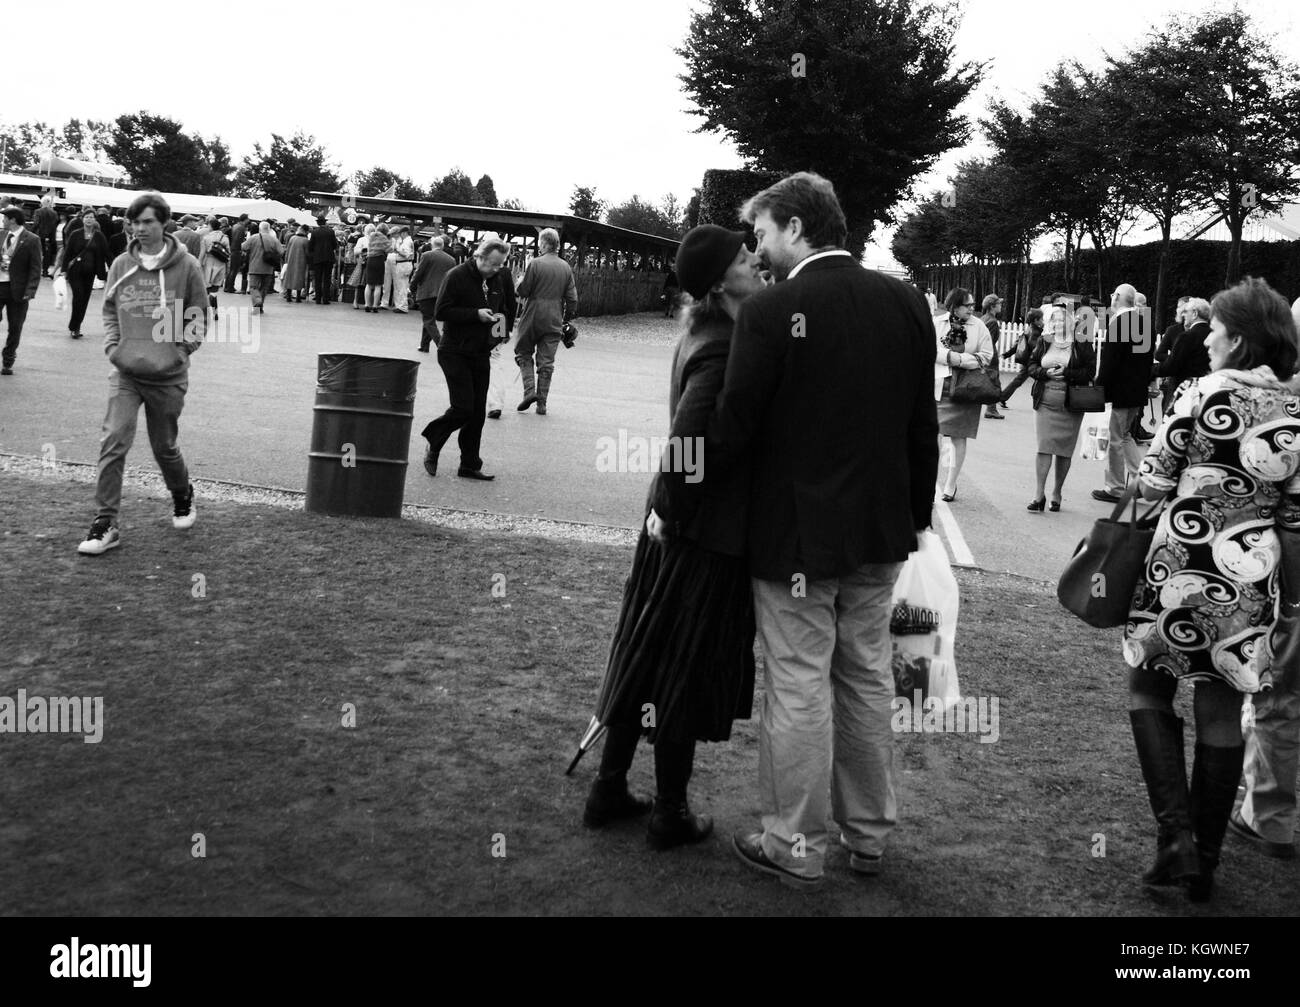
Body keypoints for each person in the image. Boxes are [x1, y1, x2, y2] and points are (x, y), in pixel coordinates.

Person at [652, 172, 938, 888]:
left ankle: (794, 842)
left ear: (798, 228)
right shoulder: (906, 302)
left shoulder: (773, 310)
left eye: (765, 232)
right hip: (880, 532)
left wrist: (673, 490)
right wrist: (915, 515)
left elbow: (733, 431)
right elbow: (920, 427)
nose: (759, 247)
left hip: (797, 541)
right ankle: (869, 834)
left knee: (798, 684)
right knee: (868, 676)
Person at [583, 225, 765, 848]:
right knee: (681, 662)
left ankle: (610, 787)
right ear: (719, 281)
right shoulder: (719, 343)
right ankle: (670, 810)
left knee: (644, 651)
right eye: (745, 257)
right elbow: (689, 439)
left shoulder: (705, 331)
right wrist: (672, 507)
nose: (756, 258)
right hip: (699, 532)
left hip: (676, 524)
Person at [1123, 275, 1300, 901]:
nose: (1206, 341)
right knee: (1222, 705)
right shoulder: (1297, 412)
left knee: (1150, 686)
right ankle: (1206, 856)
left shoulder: (1202, 394)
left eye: (1216, 331)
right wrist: (1292, 599)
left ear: (1242, 339)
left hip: (1179, 561)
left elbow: (1152, 479)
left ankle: (1175, 840)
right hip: (1249, 578)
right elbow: (1294, 518)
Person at [77, 192, 206, 556]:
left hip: (167, 375)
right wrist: (113, 346)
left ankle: (182, 494)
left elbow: (198, 315)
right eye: (135, 222)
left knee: (164, 447)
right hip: (126, 372)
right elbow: (109, 308)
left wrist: (180, 351)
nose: (140, 229)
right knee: (113, 440)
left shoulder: (187, 266)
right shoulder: (121, 263)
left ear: (164, 222)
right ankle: (106, 523)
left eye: (148, 221)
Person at [420, 237, 513, 480]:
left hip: (481, 351)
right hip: (454, 351)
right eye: (493, 264)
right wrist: (475, 315)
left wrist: (501, 333)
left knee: (477, 413)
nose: (496, 269)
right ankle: (434, 438)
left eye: (500, 265)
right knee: (463, 407)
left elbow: (502, 308)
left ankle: (469, 464)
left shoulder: (495, 279)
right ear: (479, 256)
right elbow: (441, 311)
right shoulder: (456, 276)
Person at [1024, 304, 1096, 511]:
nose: (1056, 323)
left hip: (1071, 404)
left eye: (1061, 319)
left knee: (1064, 451)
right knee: (1043, 447)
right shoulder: (1044, 341)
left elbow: (1090, 372)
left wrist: (1068, 373)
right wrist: (1044, 373)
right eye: (1053, 319)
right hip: (1045, 401)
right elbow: (1031, 365)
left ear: (1070, 322)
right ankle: (1039, 495)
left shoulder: (1081, 343)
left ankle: (1057, 491)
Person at [1092, 283, 1154, 503]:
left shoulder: (1118, 323)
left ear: (1117, 297)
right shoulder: (1145, 324)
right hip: (1136, 393)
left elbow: (1110, 363)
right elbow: (1147, 362)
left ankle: (1116, 488)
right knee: (1126, 436)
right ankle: (1141, 482)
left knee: (1116, 440)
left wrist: (1099, 387)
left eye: (1112, 294)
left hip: (1119, 392)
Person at [935, 286, 993, 502]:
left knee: (959, 436)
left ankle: (950, 484)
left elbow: (987, 356)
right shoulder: (937, 323)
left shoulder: (979, 326)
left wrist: (958, 359)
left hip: (967, 388)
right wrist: (948, 356)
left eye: (972, 305)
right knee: (935, 436)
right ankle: (930, 483)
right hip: (939, 386)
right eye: (967, 305)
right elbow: (928, 349)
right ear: (954, 306)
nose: (972, 308)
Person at [513, 228, 578, 415]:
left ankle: (529, 391)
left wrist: (519, 281)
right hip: (554, 316)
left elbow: (523, 291)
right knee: (547, 361)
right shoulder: (565, 267)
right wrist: (566, 318)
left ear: (544, 243)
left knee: (523, 350)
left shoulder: (535, 263)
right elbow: (572, 299)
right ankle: (542, 404)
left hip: (533, 313)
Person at [0, 207, 44, 376]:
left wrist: (30, 290)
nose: (2, 221)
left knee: (15, 327)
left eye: (4, 218)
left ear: (12, 220)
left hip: (18, 290)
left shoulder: (32, 239)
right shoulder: (1, 235)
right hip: (0, 285)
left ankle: (8, 359)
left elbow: (35, 267)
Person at [57, 211, 111, 340]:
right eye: (86, 217)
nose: (89, 219)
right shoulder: (76, 234)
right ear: (82, 219)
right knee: (78, 296)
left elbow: (106, 253)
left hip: (91, 272)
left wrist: (114, 267)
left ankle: (77, 326)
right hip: (75, 271)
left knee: (84, 300)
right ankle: (74, 326)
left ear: (94, 220)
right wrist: (63, 270)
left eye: (91, 217)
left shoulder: (99, 236)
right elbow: (68, 253)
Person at [1153, 297, 1210, 414]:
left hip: (1184, 393)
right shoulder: (1214, 334)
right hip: (1207, 392)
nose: (1183, 315)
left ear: (1194, 314)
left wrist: (1147, 370)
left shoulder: (1186, 336)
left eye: (1186, 312)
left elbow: (1170, 367)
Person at [413, 235, 456, 351]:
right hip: (442, 293)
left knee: (428, 319)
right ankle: (424, 345)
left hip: (427, 292)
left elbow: (419, 273)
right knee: (429, 319)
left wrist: (412, 286)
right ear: (442, 246)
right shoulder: (451, 260)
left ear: (432, 245)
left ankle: (441, 344)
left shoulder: (426, 255)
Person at [999, 306, 1043, 407]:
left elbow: (1018, 344)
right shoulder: (1035, 332)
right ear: (1036, 320)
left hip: (1028, 361)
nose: (1043, 320)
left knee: (1018, 381)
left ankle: (1002, 397)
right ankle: (1001, 397)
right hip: (1031, 362)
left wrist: (1007, 354)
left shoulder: (1029, 329)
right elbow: (1035, 347)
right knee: (1038, 379)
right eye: (1041, 319)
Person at [242, 221, 282, 314]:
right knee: (264, 288)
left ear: (260, 228)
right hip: (268, 268)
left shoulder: (254, 237)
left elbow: (243, 247)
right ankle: (260, 307)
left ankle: (257, 302)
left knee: (254, 287)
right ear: (269, 229)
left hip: (254, 267)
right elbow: (281, 251)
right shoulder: (274, 239)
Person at [980, 294, 1006, 419]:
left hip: (984, 354)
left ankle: (992, 408)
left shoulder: (983, 318)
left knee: (990, 381)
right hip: (990, 355)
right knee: (993, 382)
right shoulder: (993, 322)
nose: (1001, 306)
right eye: (999, 304)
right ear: (992, 306)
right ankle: (991, 409)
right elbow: (990, 341)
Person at [199, 215, 230, 318]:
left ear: (211, 226)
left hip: (208, 264)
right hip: (221, 265)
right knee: (215, 290)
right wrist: (228, 268)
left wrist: (198, 265)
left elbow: (202, 254)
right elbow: (228, 254)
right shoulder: (225, 238)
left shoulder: (206, 238)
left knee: (208, 290)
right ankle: (215, 313)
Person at [307, 215, 338, 304]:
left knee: (318, 278)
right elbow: (334, 244)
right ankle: (325, 299)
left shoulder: (314, 232)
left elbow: (311, 246)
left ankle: (318, 298)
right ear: (325, 222)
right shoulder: (331, 231)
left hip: (317, 258)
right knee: (327, 279)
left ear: (317, 223)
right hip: (328, 257)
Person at [364, 223, 391, 313]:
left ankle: (367, 305)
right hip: (379, 260)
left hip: (370, 260)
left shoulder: (371, 236)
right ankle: (375, 306)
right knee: (378, 285)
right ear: (385, 231)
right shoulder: (384, 238)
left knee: (369, 284)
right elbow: (389, 249)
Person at [387, 225, 415, 312]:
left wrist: (397, 250)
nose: (400, 235)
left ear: (404, 233)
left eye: (401, 233)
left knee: (402, 286)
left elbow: (405, 254)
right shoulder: (408, 241)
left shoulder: (406, 242)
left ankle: (402, 307)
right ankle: (401, 306)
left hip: (403, 264)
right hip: (406, 264)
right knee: (403, 285)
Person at [282, 225, 310, 302]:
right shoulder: (305, 240)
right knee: (299, 278)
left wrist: (286, 260)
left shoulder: (292, 238)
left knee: (289, 277)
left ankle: (288, 296)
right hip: (301, 262)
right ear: (306, 231)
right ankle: (298, 297)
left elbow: (287, 250)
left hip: (290, 261)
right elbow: (307, 253)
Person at [32, 194, 58, 275]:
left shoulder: (38, 211)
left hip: (39, 235)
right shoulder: (54, 213)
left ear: (42, 202)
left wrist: (31, 232)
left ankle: (35, 269)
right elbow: (54, 225)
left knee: (37, 253)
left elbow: (36, 223)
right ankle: (45, 271)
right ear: (49, 203)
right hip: (49, 236)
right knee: (47, 254)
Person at [225, 214, 248, 294]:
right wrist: (241, 249)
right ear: (245, 219)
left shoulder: (235, 226)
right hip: (236, 250)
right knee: (234, 269)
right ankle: (230, 287)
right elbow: (238, 239)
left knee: (232, 269)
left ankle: (227, 286)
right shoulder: (241, 227)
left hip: (233, 249)